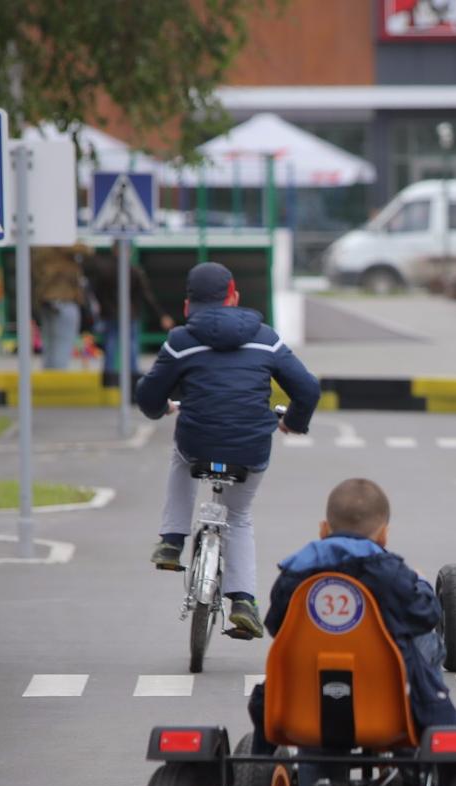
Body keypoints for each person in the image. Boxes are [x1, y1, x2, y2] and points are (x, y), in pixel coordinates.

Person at [136, 261, 320, 636]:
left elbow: (149, 394)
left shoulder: (181, 340)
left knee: (180, 456)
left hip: (197, 441)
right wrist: (293, 423)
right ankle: (243, 601)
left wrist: (160, 409)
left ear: (188, 305)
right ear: (233, 296)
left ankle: (171, 540)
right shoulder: (266, 338)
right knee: (238, 516)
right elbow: (308, 388)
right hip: (250, 448)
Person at [247, 478, 456, 755]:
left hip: (306, 701)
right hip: (386, 702)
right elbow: (426, 615)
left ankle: (276, 768)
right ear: (383, 535)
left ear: (324, 530)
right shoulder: (389, 572)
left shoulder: (295, 571)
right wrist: (420, 584)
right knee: (425, 640)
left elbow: (276, 626)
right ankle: (415, 755)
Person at [84, 243, 173, 377]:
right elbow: (146, 295)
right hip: (130, 315)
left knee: (110, 346)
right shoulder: (134, 270)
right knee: (131, 347)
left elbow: (96, 292)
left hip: (110, 314)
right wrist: (161, 315)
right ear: (129, 252)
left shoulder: (104, 270)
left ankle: (109, 378)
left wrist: (101, 308)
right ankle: (133, 377)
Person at [32, 244, 92, 369]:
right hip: (64, 301)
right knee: (63, 346)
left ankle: (48, 381)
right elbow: (87, 250)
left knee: (49, 347)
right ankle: (56, 381)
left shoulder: (40, 250)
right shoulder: (63, 246)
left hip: (46, 301)